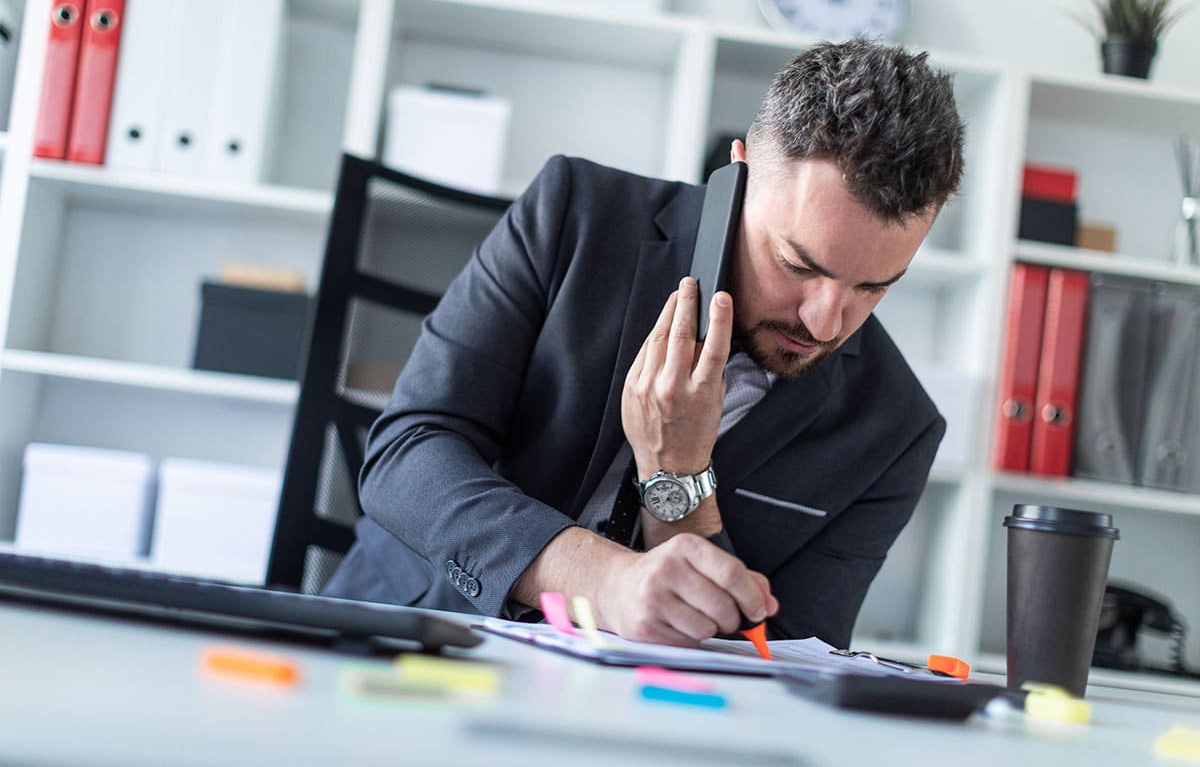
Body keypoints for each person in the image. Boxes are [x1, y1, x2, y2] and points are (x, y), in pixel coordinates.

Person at [324, 38, 965, 649]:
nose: (826, 324)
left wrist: (678, 478)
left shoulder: (896, 430)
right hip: (421, 637)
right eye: (798, 265)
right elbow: (406, 455)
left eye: (874, 287)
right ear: (738, 175)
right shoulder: (573, 213)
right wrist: (605, 580)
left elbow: (784, 659)